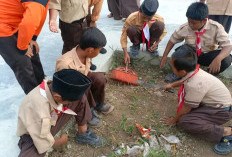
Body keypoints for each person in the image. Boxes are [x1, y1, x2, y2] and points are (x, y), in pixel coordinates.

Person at [17, 69, 106, 157]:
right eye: (68, 101)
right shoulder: (40, 110)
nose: (70, 103)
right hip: (34, 132)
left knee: (78, 97)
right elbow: (42, 138)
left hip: (52, 116)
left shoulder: (51, 86)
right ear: (58, 97)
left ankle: (83, 132)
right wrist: (60, 141)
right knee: (31, 153)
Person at [162, 45, 232, 155]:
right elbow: (184, 80)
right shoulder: (195, 71)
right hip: (217, 104)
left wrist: (174, 120)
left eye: (173, 67)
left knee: (185, 121)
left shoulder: (195, 84)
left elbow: (186, 108)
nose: (172, 68)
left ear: (182, 71)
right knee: (188, 112)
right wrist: (171, 85)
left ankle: (227, 132)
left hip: (221, 111)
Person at [55, 27, 114, 128]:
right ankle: (88, 111)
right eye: (99, 50)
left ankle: (98, 103)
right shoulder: (66, 64)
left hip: (81, 81)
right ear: (90, 50)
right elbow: (67, 90)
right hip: (70, 91)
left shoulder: (86, 55)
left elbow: (86, 73)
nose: (99, 53)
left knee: (99, 78)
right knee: (83, 89)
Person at [160, 2, 232, 82]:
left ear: (204, 21)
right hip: (192, 55)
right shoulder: (185, 27)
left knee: (227, 59)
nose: (190, 25)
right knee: (181, 51)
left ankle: (207, 76)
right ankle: (179, 74)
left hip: (208, 55)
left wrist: (218, 59)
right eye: (189, 21)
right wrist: (165, 55)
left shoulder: (216, 28)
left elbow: (227, 46)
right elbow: (172, 40)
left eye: (193, 23)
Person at [0, 0, 49, 94]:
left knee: (33, 52)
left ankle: (43, 88)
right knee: (22, 63)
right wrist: (23, 48)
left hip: (14, 20)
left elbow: (42, 12)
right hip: (2, 28)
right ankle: (35, 100)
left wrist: (33, 38)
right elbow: (29, 23)